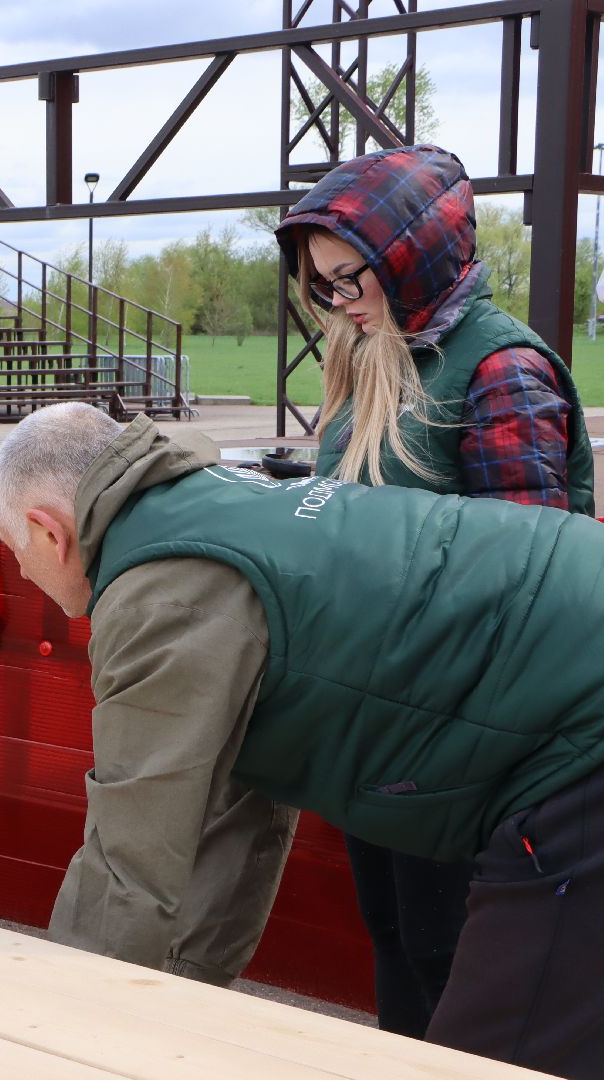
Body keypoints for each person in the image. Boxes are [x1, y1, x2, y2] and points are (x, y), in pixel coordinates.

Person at [0, 401, 604, 1079]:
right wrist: (180, 993)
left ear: (49, 531)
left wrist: (49, 1039)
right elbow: (238, 818)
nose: (24, 574)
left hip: (579, 729)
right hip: (570, 655)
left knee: (491, 1057)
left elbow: (129, 860)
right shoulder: (215, 505)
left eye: (16, 551)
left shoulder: (162, 592)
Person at [273, 143, 595, 1036]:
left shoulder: (500, 370)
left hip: (467, 737)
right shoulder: (385, 355)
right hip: (387, 720)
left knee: (450, 961)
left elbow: (530, 576)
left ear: (410, 256)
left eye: (351, 277)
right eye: (323, 285)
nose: (340, 301)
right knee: (397, 941)